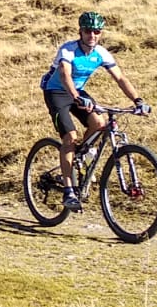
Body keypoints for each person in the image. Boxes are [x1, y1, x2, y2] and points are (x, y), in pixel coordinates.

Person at [40, 11, 150, 211]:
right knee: (70, 137)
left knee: (99, 123)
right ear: (80, 32)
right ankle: (69, 191)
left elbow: (120, 78)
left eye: (96, 32)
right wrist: (76, 97)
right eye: (88, 31)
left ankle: (80, 155)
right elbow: (65, 75)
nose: (92, 35)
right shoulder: (68, 50)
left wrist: (138, 100)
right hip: (56, 91)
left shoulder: (101, 53)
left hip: (78, 92)